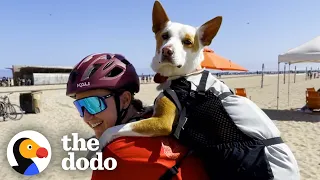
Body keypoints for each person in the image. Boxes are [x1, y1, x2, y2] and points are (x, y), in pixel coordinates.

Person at [66, 53, 209, 180]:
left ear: (125, 100)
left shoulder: (114, 155)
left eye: (93, 104)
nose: (86, 117)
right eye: (81, 106)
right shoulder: (154, 116)